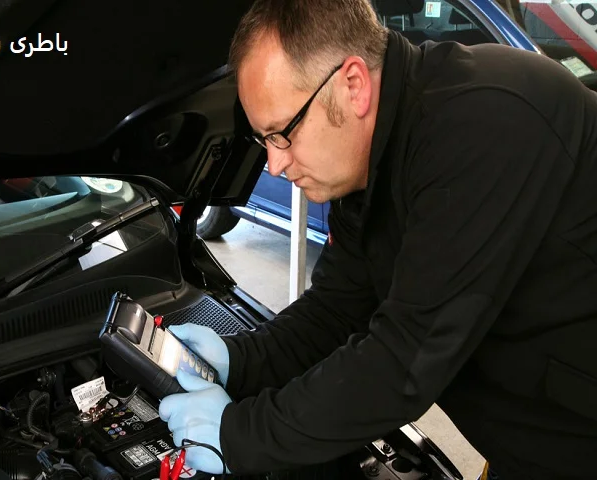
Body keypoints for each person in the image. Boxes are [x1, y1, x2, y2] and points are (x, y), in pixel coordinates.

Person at [156, 0, 597, 479]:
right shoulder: (372, 160)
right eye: (265, 140)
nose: (275, 165)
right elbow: (336, 311)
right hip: (528, 439)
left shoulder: (487, 121)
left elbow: (405, 356)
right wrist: (238, 361)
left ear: (353, 85)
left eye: (282, 133)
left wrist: (240, 436)